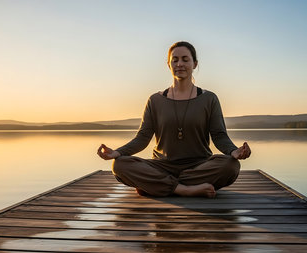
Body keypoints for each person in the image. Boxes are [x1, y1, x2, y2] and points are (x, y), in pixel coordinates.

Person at [97, 41, 251, 198]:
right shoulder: (155, 100)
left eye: (185, 59)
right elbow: (142, 138)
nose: (180, 64)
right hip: (161, 166)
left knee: (230, 166)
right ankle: (184, 189)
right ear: (168, 65)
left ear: (195, 64)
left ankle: (157, 185)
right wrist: (117, 152)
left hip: (199, 165)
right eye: (175, 60)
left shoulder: (209, 99)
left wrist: (234, 151)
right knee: (120, 165)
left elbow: (219, 135)